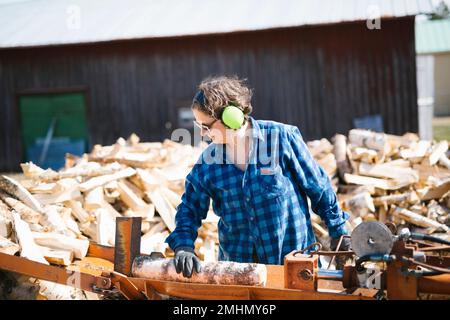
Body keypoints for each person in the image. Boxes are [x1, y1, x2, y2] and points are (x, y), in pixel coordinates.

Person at [165, 76, 350, 278]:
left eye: (207, 126)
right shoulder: (208, 162)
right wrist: (183, 244)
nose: (203, 133)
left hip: (293, 267)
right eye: (199, 126)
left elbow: (319, 188)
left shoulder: (282, 138)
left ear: (230, 116)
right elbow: (189, 208)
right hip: (237, 273)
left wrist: (339, 230)